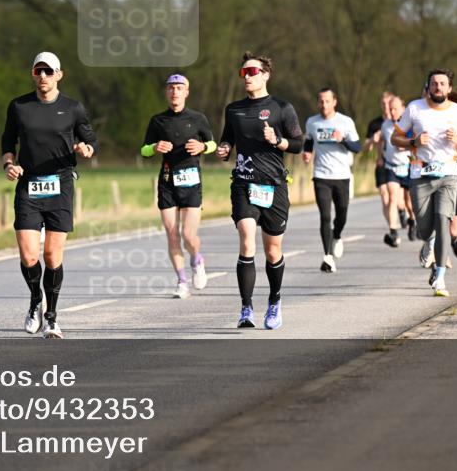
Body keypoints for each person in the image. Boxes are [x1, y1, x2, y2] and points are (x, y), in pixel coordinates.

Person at [0, 51, 98, 338]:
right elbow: (8, 141)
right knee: (30, 255)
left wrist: (85, 149)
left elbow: (90, 140)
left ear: (59, 74)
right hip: (29, 184)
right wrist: (9, 164)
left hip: (61, 184)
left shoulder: (73, 108)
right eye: (38, 71)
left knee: (52, 254)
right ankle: (35, 301)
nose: (43, 76)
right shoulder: (19, 106)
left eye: (48, 71)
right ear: (33, 74)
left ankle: (52, 317)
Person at [217, 52, 303, 329]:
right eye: (244, 73)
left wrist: (278, 141)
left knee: (273, 250)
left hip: (274, 186)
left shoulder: (282, 107)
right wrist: (225, 149)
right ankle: (246, 309)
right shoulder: (234, 109)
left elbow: (299, 144)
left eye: (252, 72)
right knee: (246, 236)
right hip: (244, 183)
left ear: (266, 74)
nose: (247, 77)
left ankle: (275, 302)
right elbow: (227, 138)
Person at [392, 70, 457, 297]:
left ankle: (440, 277)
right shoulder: (414, 108)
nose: (438, 87)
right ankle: (428, 240)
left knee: (443, 221)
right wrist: (413, 141)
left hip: (448, 175)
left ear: (449, 88)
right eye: (434, 83)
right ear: (429, 87)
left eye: (442, 83)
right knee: (424, 229)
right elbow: (395, 138)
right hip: (420, 174)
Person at [140, 74, 216, 298]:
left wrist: (202, 147)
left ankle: (197, 259)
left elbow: (213, 143)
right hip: (167, 182)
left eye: (179, 87)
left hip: (191, 181)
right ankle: (182, 281)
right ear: (167, 92)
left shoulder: (198, 118)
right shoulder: (158, 121)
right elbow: (143, 150)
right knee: (172, 234)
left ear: (187, 92)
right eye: (171, 88)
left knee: (188, 235)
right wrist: (155, 147)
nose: (175, 91)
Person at [302, 87, 361, 271]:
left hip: (342, 176)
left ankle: (337, 235)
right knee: (325, 216)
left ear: (334, 102)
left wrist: (342, 139)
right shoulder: (312, 122)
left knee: (342, 214)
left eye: (327, 101)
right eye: (320, 101)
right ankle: (327, 257)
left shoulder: (345, 121)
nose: (324, 104)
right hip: (321, 176)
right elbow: (309, 140)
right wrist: (307, 152)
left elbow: (357, 146)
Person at [380, 96, 412, 247]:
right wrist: (380, 156)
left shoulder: (410, 124)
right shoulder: (385, 125)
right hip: (391, 166)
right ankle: (393, 231)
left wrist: (404, 146)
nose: (392, 112)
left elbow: (417, 143)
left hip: (407, 166)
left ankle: (412, 220)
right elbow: (382, 142)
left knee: (409, 202)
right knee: (393, 198)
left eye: (395, 109)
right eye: (390, 109)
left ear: (403, 109)